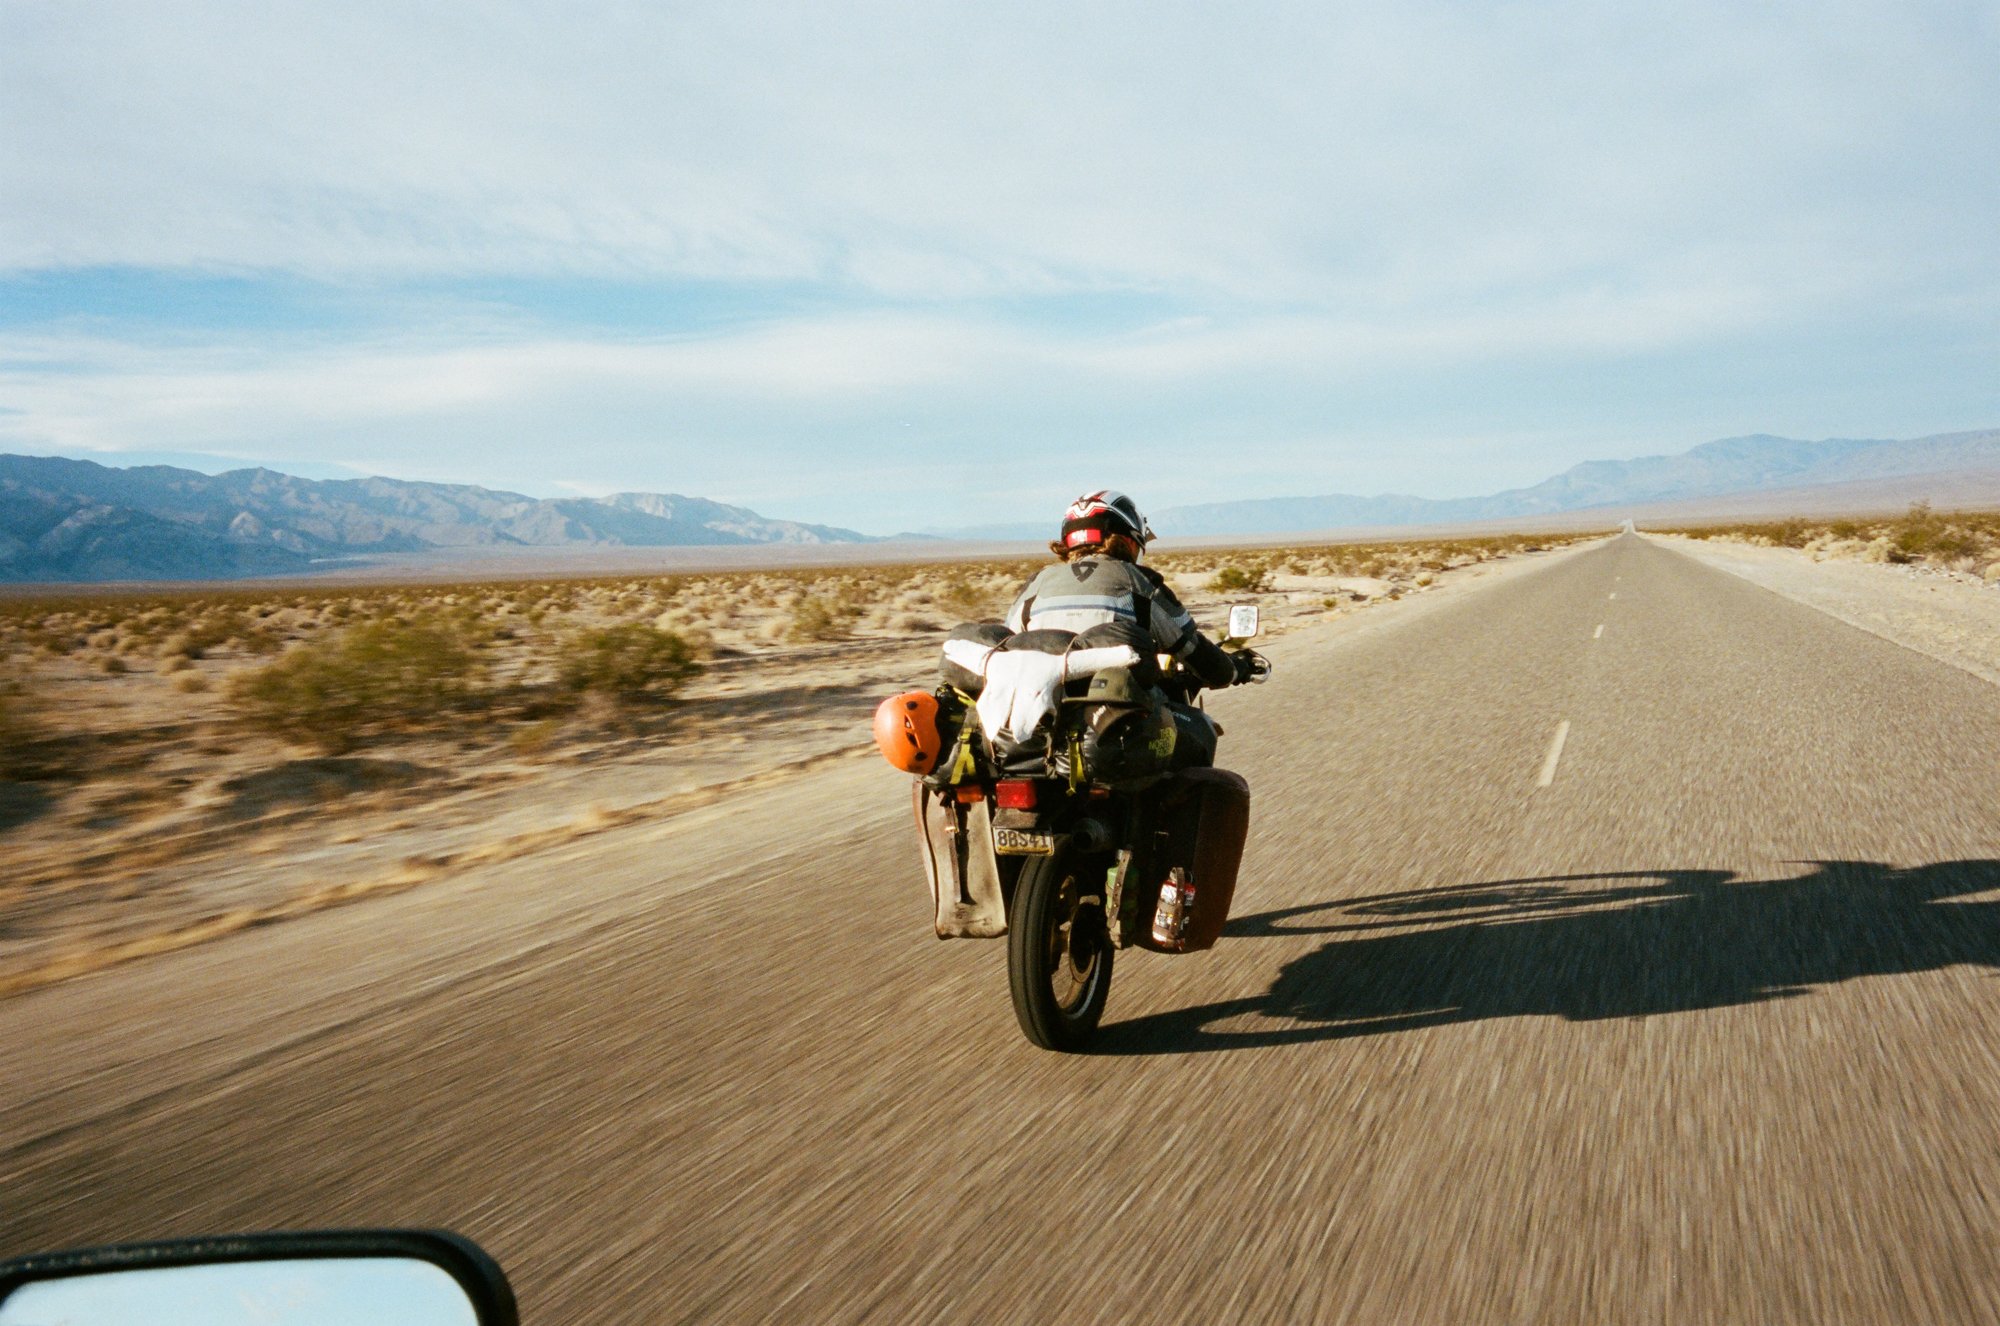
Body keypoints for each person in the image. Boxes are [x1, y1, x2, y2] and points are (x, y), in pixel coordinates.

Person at [1004, 489, 1261, 700]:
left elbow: (1007, 643)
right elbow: (1191, 646)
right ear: (1128, 540)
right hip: (1113, 716)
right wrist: (1234, 669)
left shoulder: (1036, 583)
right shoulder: (1138, 581)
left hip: (1042, 714)